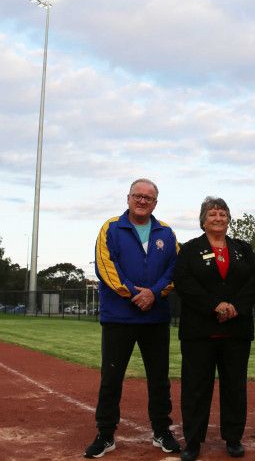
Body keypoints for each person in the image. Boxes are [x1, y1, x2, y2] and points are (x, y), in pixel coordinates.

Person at [84, 178, 181, 458]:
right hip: (119, 318)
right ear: (128, 198)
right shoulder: (111, 228)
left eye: (148, 198)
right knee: (111, 378)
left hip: (156, 318)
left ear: (155, 203)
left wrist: (153, 293)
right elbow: (105, 266)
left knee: (159, 379)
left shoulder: (167, 232)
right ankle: (105, 434)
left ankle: (161, 431)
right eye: (137, 196)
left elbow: (176, 269)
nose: (142, 201)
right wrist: (133, 294)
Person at [174, 197, 255, 461]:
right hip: (199, 332)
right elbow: (183, 282)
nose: (218, 218)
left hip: (236, 331)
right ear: (203, 220)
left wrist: (235, 306)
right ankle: (192, 441)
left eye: (223, 214)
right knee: (195, 388)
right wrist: (215, 305)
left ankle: (233, 438)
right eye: (212, 214)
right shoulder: (189, 249)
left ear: (228, 219)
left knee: (234, 386)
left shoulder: (242, 249)